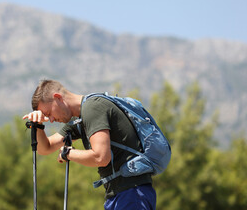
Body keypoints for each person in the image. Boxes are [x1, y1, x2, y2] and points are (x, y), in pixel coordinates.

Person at [23, 79, 156, 210]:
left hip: (131, 193)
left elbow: (101, 157)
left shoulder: (92, 109)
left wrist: (68, 153)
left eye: (49, 113)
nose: (51, 120)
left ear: (57, 98)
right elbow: (45, 148)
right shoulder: (79, 119)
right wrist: (38, 125)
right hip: (120, 194)